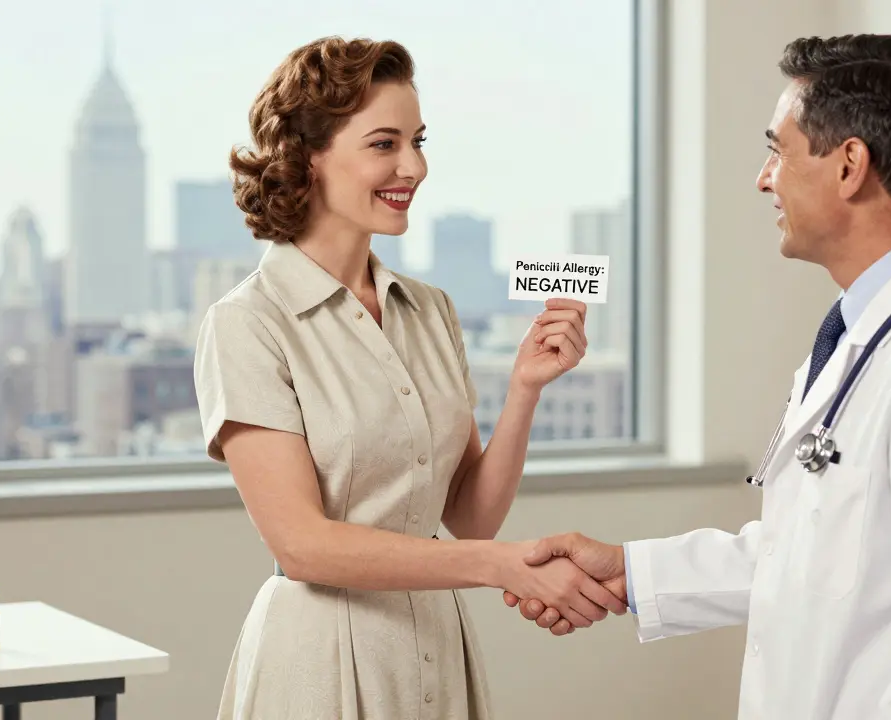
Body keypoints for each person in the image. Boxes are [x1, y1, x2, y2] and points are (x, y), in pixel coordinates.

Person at [503, 33, 891, 719]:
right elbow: (818, 555)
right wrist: (628, 571)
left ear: (849, 164)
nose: (763, 178)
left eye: (777, 150)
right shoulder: (869, 332)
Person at [193, 36, 626, 720]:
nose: (414, 166)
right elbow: (301, 545)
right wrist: (497, 566)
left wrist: (524, 390)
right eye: (384, 144)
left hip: (436, 645)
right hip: (320, 662)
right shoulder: (248, 323)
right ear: (307, 155)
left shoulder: (431, 310)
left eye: (419, 141)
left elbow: (470, 517)